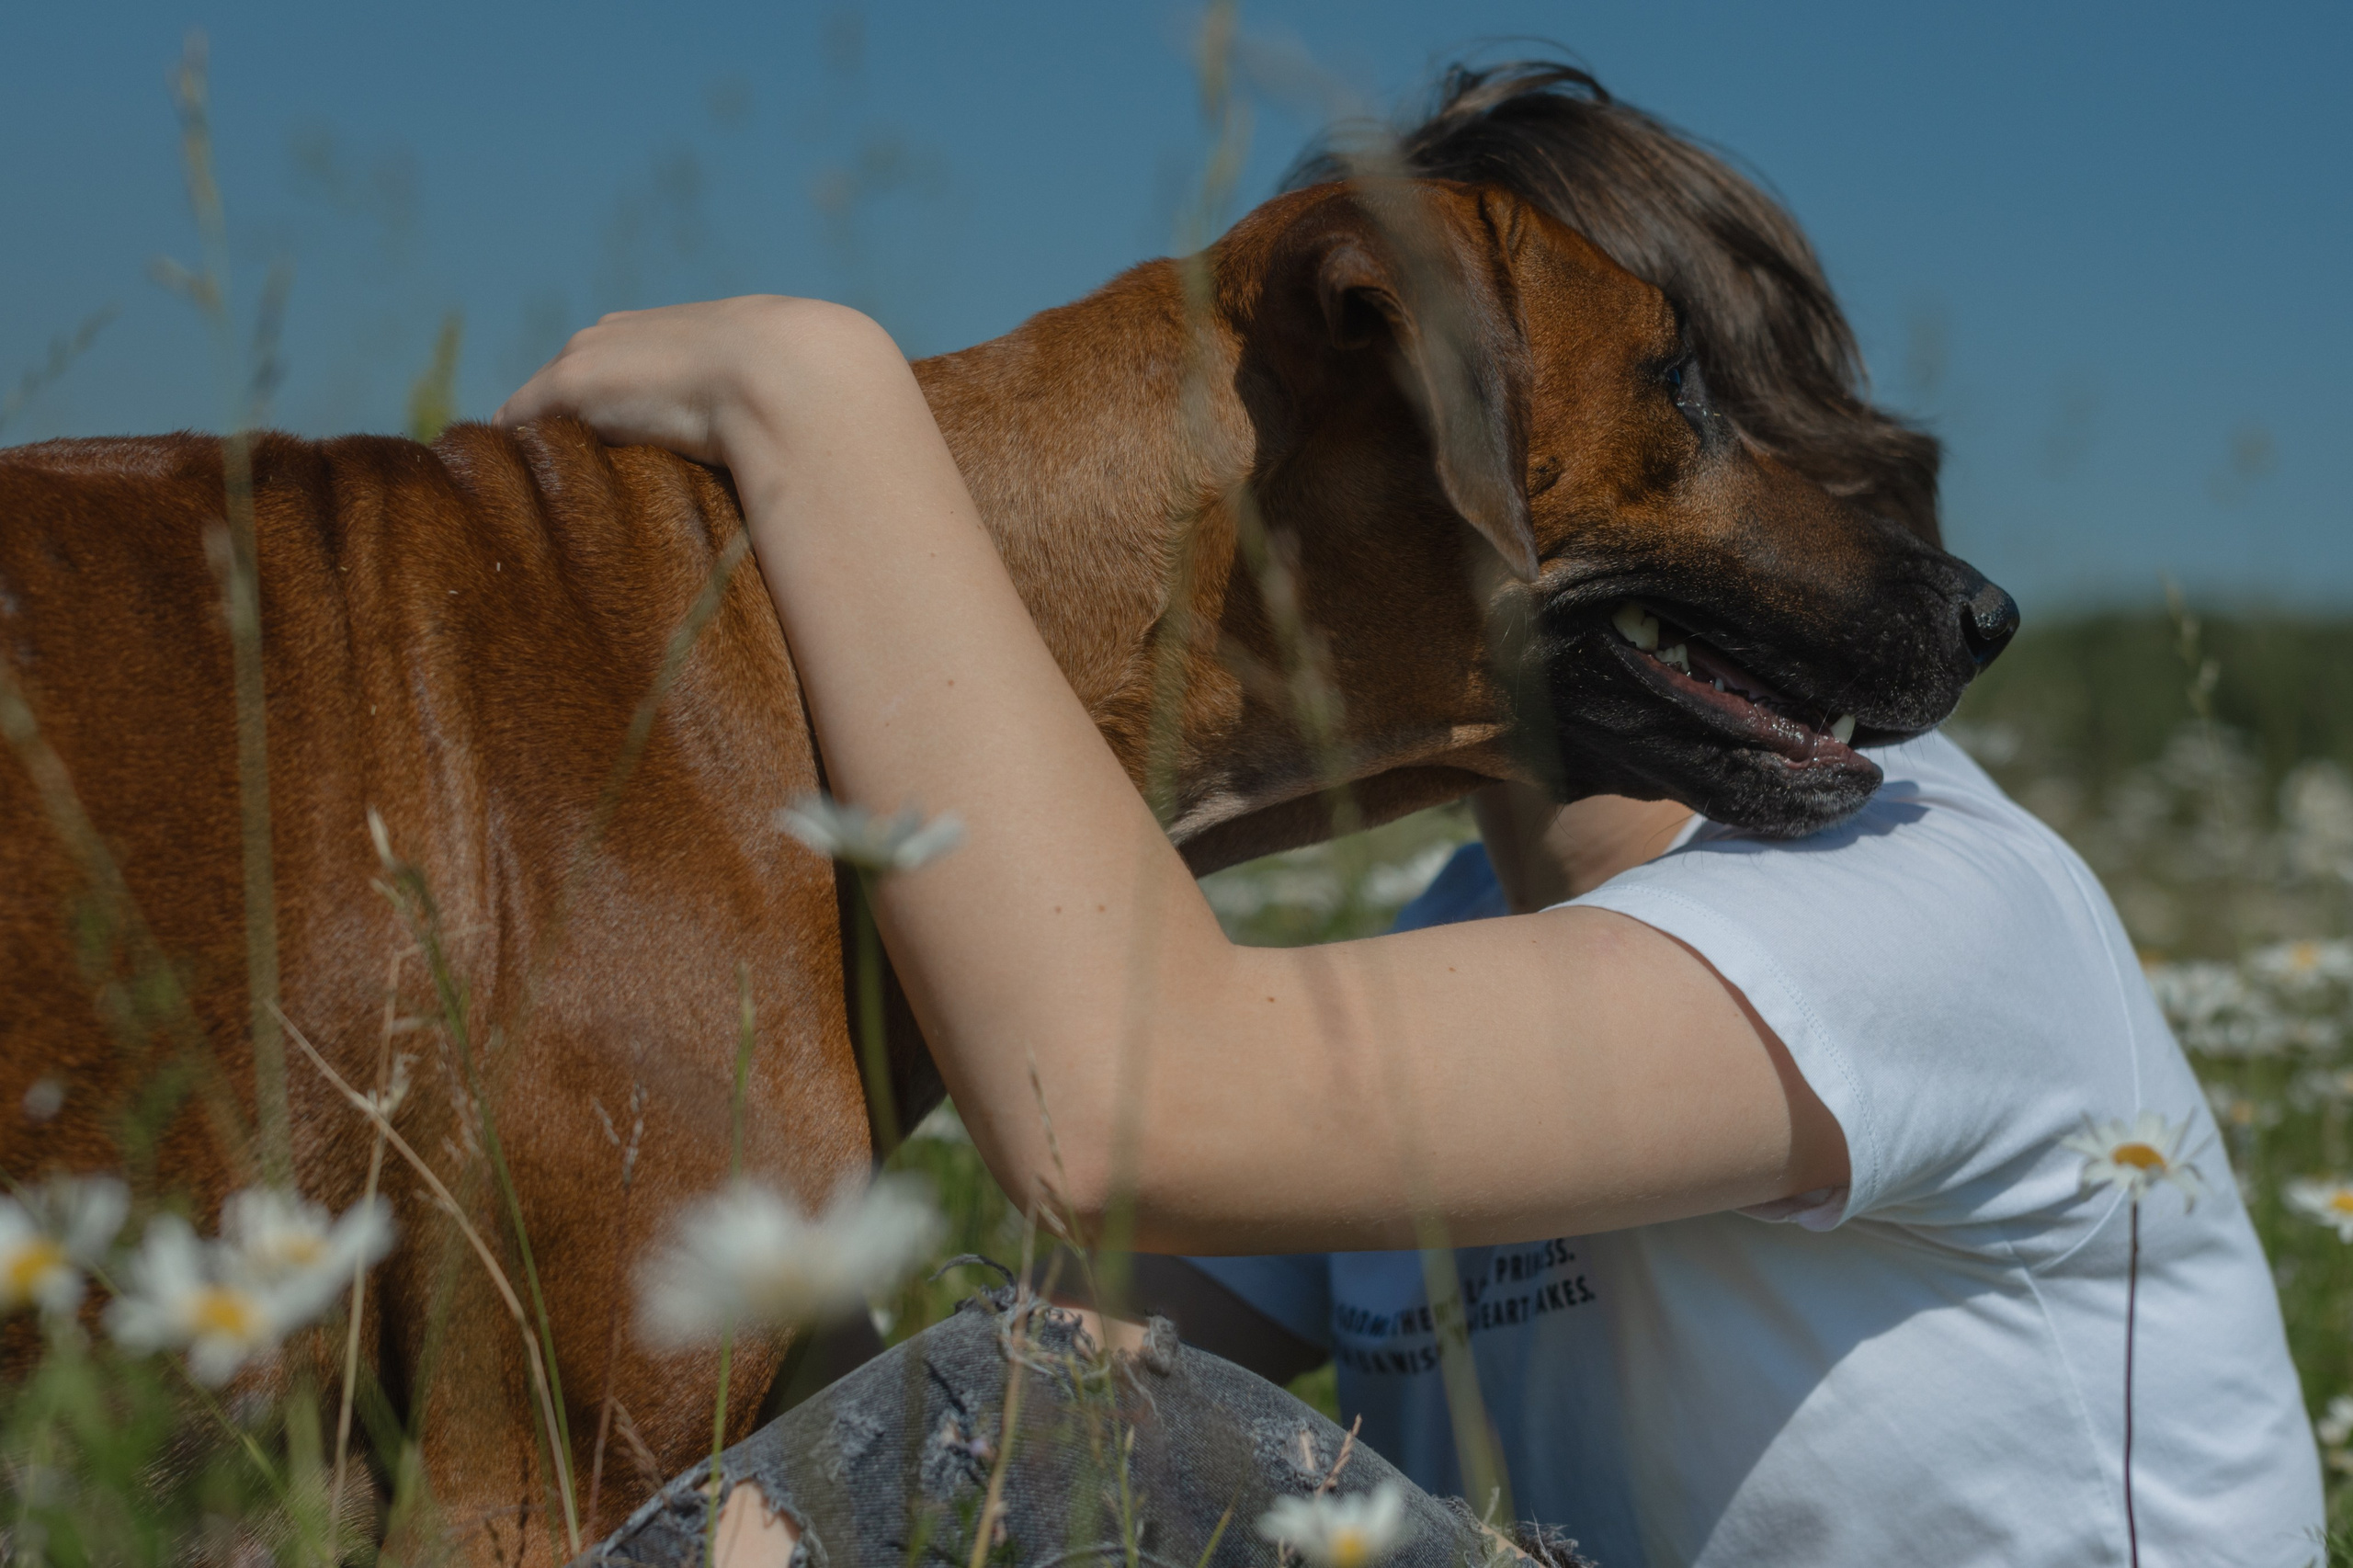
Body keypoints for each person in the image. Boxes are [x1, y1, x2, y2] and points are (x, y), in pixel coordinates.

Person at [501, 63, 2321, 1568]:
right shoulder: (1462, 936)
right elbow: (997, 1416)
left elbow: (1122, 1123)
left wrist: (815, 399)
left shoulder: (1918, 893)